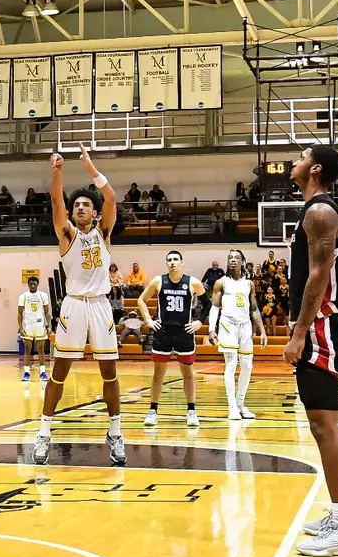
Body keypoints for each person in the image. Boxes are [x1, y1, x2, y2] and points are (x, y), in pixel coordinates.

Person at [283, 144, 338, 556]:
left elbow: (318, 276)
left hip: (321, 323)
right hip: (320, 322)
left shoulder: (319, 212)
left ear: (314, 169)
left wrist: (299, 332)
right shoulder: (317, 211)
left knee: (323, 424)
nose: (292, 160)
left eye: (300, 155)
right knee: (321, 422)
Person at [32, 148, 125, 467]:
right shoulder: (67, 233)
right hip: (73, 306)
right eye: (77, 205)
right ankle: (44, 431)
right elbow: (56, 202)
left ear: (95, 213)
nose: (81, 207)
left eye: (86, 204)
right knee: (59, 372)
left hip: (100, 306)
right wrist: (57, 170)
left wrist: (89, 167)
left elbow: (110, 198)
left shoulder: (105, 233)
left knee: (109, 373)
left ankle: (115, 432)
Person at [139, 249, 205, 428]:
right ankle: (153, 411)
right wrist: (148, 321)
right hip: (163, 332)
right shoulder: (158, 281)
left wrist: (200, 322)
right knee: (158, 374)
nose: (172, 262)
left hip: (184, 332)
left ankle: (191, 411)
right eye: (169, 260)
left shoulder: (192, 282)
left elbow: (208, 304)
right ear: (166, 263)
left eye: (176, 259)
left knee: (188, 373)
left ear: (182, 262)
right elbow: (141, 300)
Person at [208, 249, 266, 419]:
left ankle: (240, 403)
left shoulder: (249, 284)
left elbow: (254, 308)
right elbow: (214, 307)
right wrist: (212, 329)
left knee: (247, 365)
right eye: (230, 258)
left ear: (243, 261)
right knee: (232, 365)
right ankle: (232, 406)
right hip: (228, 326)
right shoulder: (221, 282)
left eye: (237, 258)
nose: (233, 260)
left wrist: (262, 330)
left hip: (245, 326)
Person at [17, 274, 52, 383]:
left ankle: (43, 372)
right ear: (28, 285)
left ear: (37, 284)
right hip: (28, 324)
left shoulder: (43, 295)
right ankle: (26, 372)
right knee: (27, 349)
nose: (32, 285)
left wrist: (49, 325)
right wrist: (20, 327)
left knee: (41, 350)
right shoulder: (23, 296)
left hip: (39, 324)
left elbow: (47, 312)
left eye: (34, 284)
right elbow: (19, 313)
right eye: (31, 284)